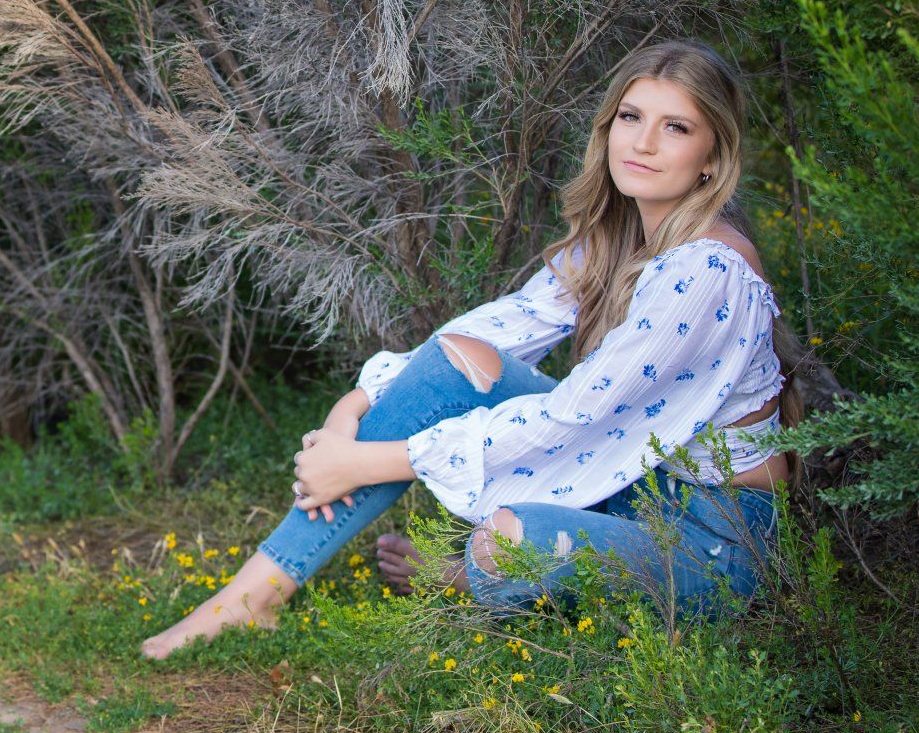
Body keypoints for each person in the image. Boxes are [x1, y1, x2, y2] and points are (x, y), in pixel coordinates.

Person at [141, 40, 801, 660]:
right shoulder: (615, 241)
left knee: (508, 543)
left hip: (716, 542)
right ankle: (254, 597)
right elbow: (496, 330)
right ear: (608, 130)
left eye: (676, 127)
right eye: (631, 117)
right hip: (635, 483)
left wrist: (369, 462)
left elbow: (578, 416)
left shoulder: (709, 272)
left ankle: (460, 577)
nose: (645, 142)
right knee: (460, 355)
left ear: (713, 156)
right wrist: (357, 404)